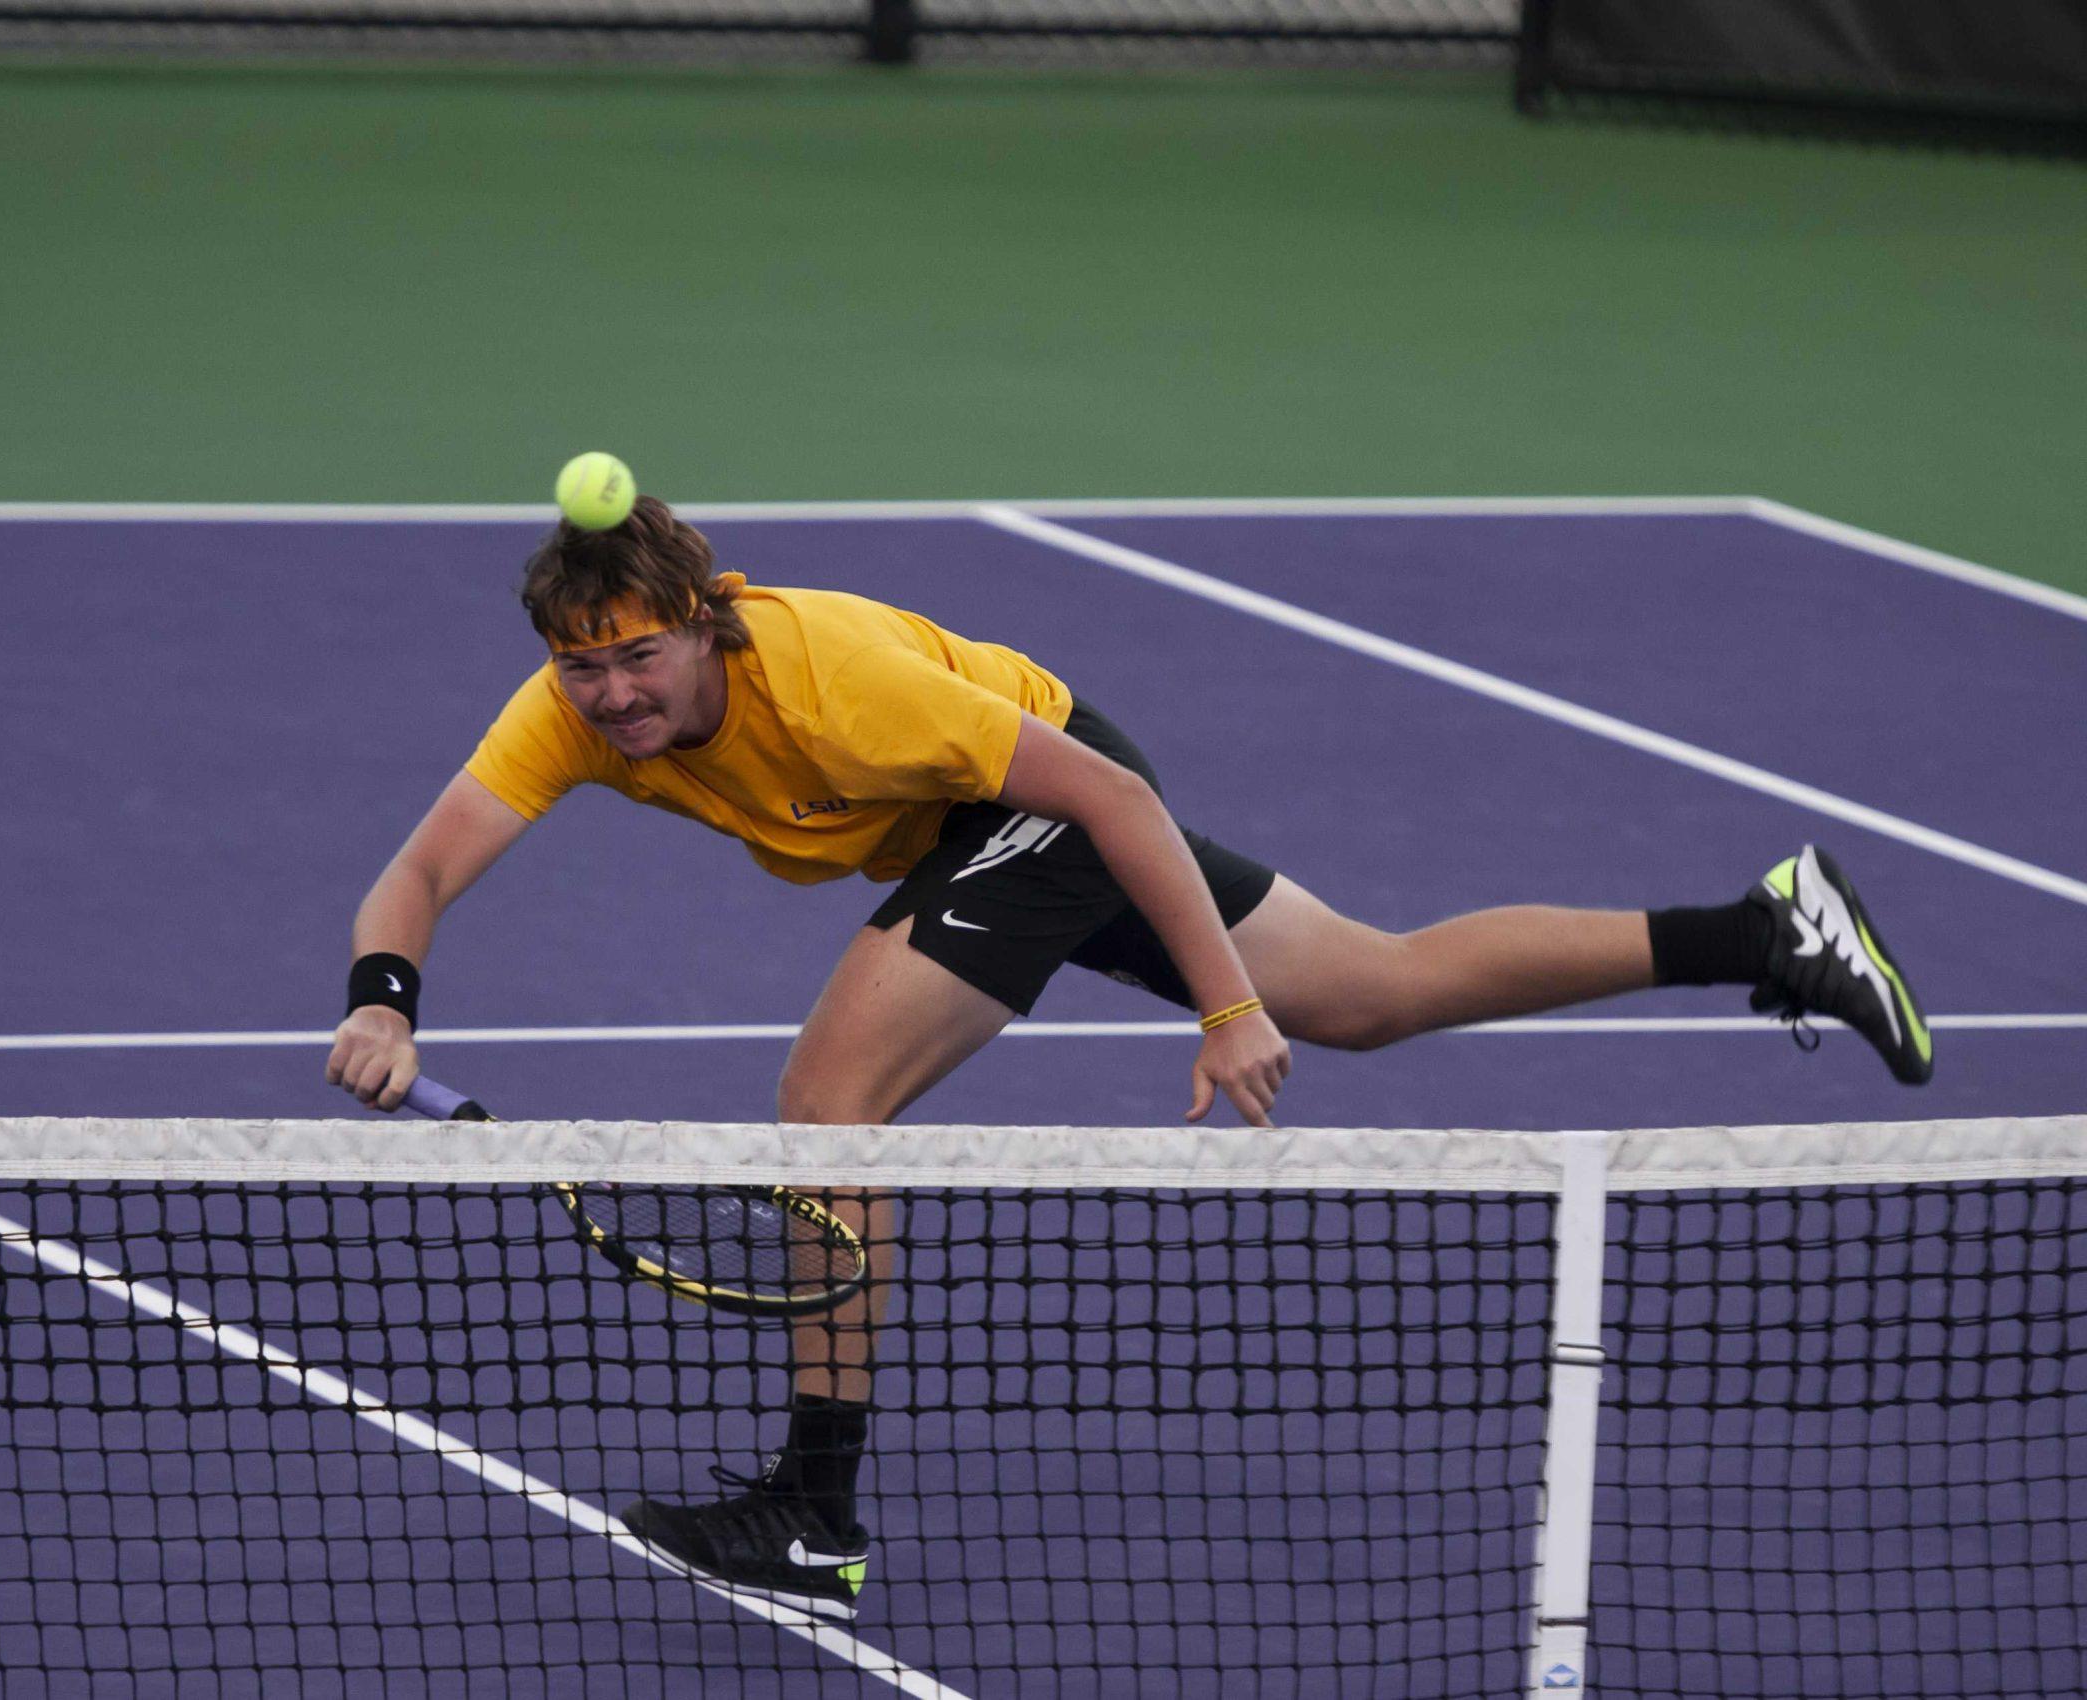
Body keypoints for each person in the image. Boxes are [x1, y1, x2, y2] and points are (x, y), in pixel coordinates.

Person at [326, 495, 1930, 1620]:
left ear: (704, 626)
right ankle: (1764, 931)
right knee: (1372, 992)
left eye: (637, 664)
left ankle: (814, 1512)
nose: (610, 698)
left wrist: (1228, 1008)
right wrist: (387, 996)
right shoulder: (565, 713)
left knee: (831, 1106)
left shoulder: (833, 679)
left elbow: (1113, 802)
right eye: (582, 670)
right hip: (970, 844)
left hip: (1056, 796)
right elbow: (417, 872)